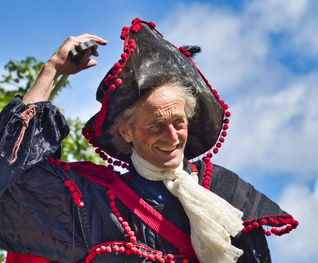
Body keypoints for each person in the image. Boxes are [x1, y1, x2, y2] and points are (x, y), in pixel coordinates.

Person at [0, 18, 298, 263]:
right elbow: (12, 177)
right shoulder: (99, 203)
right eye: (156, 125)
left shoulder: (226, 190)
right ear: (126, 131)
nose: (171, 136)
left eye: (178, 123)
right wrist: (51, 71)